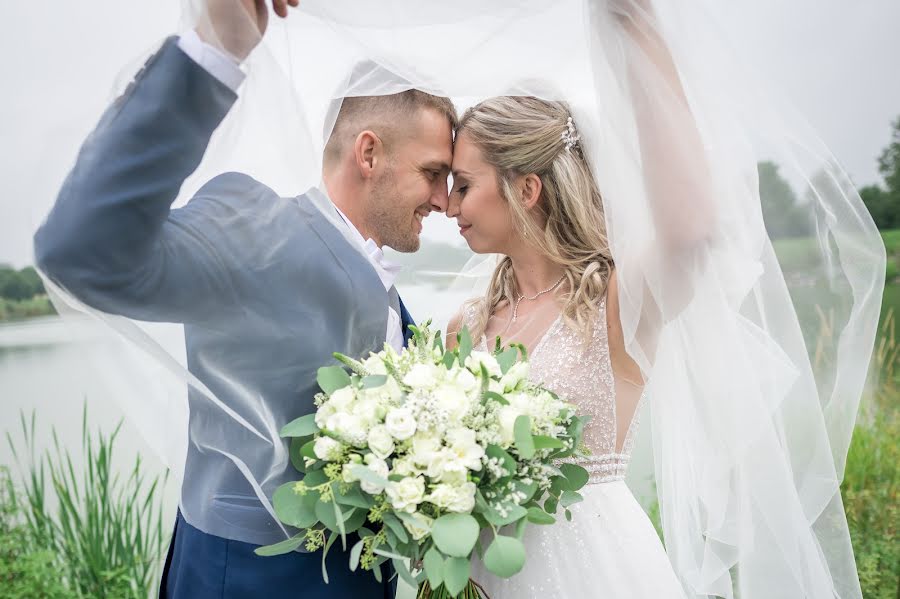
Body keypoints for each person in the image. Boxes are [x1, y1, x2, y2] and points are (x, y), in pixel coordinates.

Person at [32, 1, 455, 596]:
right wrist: (218, 48)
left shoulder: (385, 285)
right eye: (433, 172)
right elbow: (82, 254)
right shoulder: (255, 227)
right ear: (369, 154)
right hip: (254, 580)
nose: (444, 199)